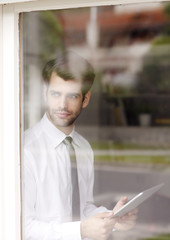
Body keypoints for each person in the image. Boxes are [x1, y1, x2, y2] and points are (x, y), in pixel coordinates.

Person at [23, 51, 137, 240]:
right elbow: (22, 228)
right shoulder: (25, 150)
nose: (62, 104)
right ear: (45, 94)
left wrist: (114, 218)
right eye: (55, 94)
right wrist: (80, 231)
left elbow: (83, 208)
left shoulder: (83, 147)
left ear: (85, 99)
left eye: (72, 96)